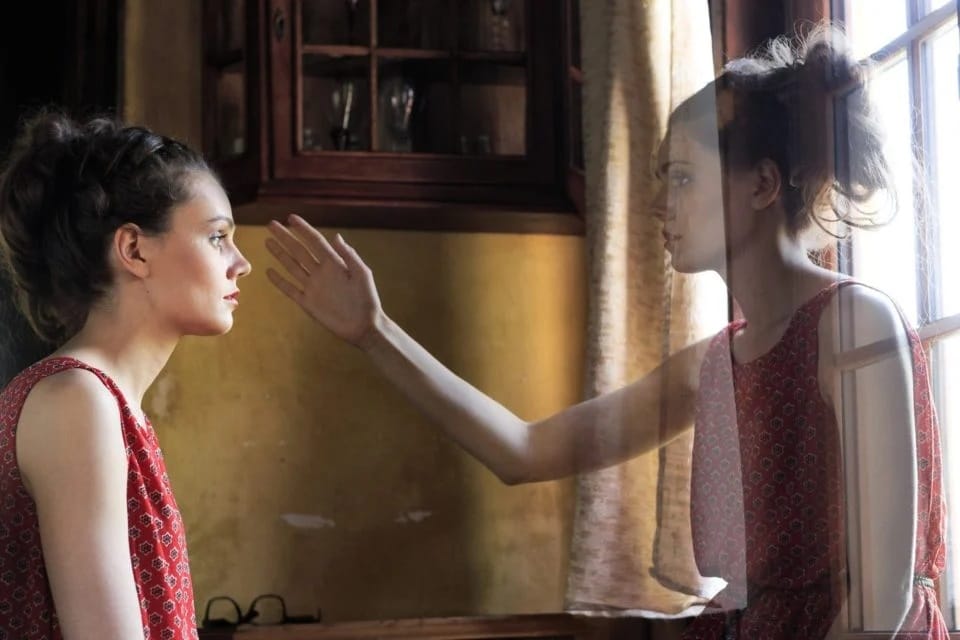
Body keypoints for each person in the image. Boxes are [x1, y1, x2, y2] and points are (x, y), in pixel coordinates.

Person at [263, 26, 946, 639]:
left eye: (682, 177)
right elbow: (522, 451)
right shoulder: (714, 363)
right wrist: (374, 332)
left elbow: (878, 609)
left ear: (763, 184)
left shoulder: (854, 324)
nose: (658, 205)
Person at [0, 112, 251, 638]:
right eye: (217, 237)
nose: (240, 263)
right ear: (134, 250)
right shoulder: (76, 401)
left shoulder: (98, 400)